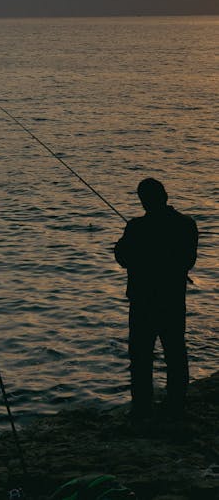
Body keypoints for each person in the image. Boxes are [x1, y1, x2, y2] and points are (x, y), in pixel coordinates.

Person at [114, 178, 198, 419]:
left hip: (143, 301)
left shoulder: (136, 227)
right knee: (175, 352)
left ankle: (142, 407)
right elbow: (188, 261)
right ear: (165, 196)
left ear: (143, 200)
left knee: (140, 355)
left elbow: (122, 258)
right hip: (173, 299)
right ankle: (176, 404)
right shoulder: (187, 224)